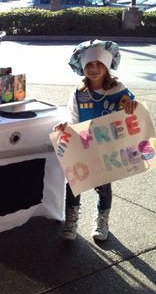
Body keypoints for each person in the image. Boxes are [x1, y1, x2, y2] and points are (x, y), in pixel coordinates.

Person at [54, 39, 138, 241]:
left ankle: (102, 220)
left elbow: (131, 107)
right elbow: (71, 114)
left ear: (107, 66)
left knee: (103, 185)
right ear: (82, 67)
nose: (94, 69)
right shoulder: (80, 91)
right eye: (89, 64)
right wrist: (65, 124)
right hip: (82, 144)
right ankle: (71, 220)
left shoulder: (118, 89)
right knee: (74, 184)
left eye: (99, 64)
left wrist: (131, 107)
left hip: (105, 147)